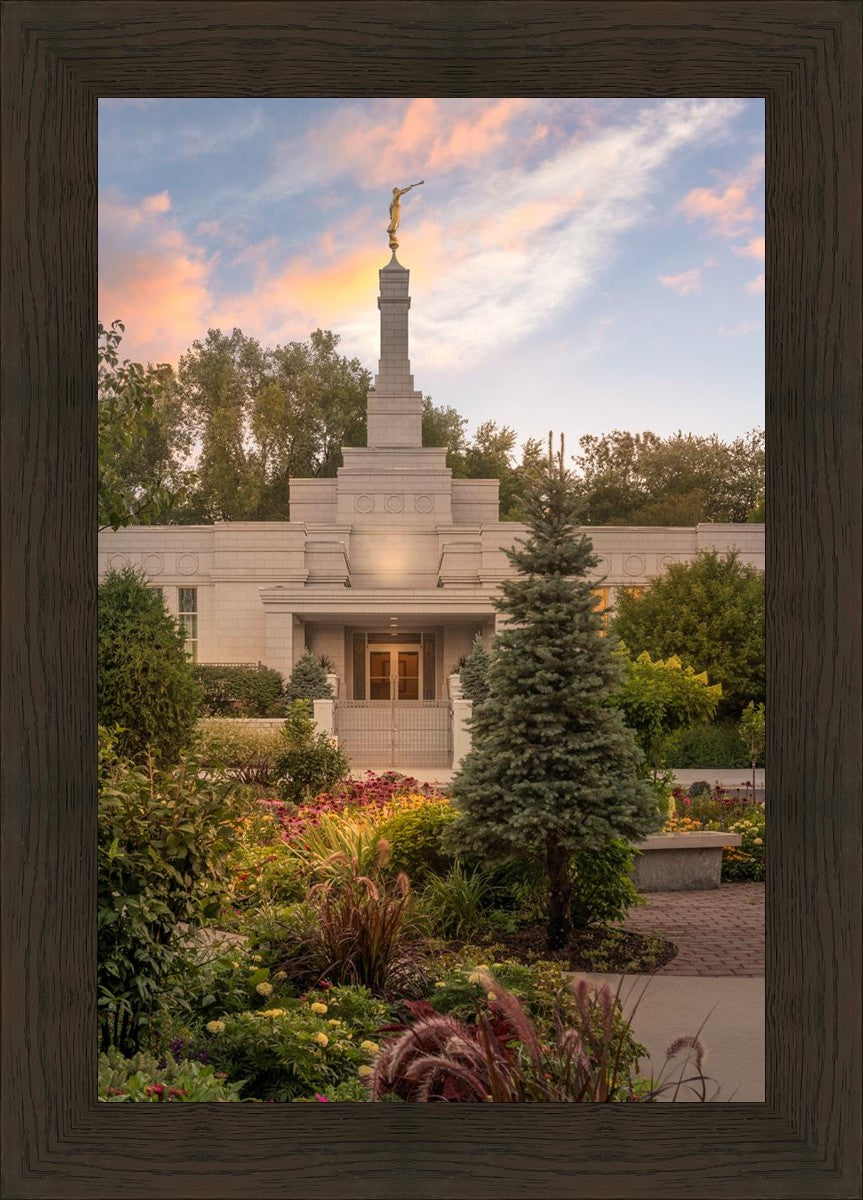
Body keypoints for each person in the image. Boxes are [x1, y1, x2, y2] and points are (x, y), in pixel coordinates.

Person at [387, 181, 424, 247]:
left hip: (395, 210)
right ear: (395, 191)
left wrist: (390, 215)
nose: (398, 190)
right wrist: (410, 187)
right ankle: (391, 230)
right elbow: (404, 191)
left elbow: (389, 208)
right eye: (397, 189)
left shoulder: (393, 199)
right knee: (395, 223)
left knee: (396, 223)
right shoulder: (397, 195)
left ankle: (392, 232)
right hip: (396, 210)